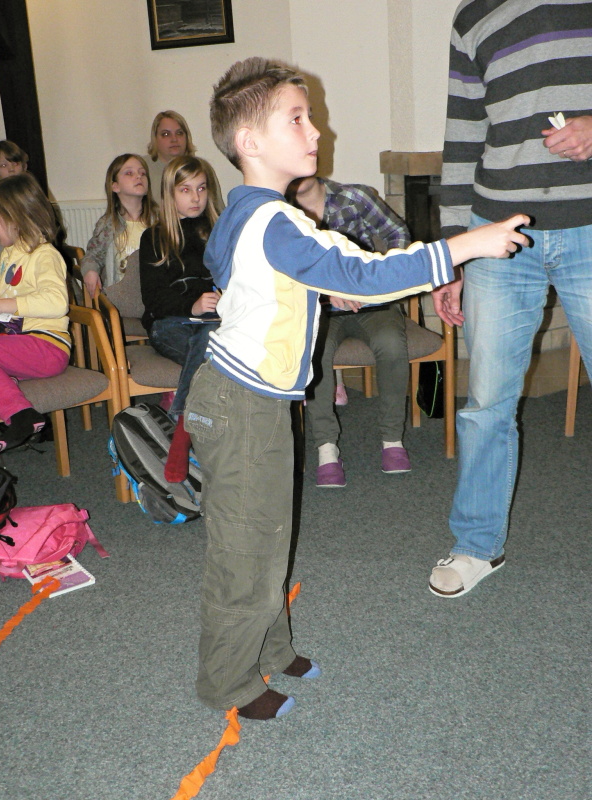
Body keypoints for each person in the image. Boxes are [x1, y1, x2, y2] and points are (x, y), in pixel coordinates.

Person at [183, 56, 528, 721]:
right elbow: (367, 273)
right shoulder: (277, 222)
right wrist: (466, 245)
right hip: (241, 404)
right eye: (296, 119)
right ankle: (227, 680)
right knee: (243, 547)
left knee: (269, 532)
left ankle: (271, 649)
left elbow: (238, 271)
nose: (316, 130)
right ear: (249, 141)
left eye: (310, 116)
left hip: (252, 398)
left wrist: (308, 288)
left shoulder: (249, 212)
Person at [429, 0, 592, 599]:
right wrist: (454, 254)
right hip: (497, 232)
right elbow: (462, 138)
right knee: (486, 403)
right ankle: (477, 545)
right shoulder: (472, 15)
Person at [288, 175, 412, 487]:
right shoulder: (279, 210)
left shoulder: (354, 197)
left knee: (391, 344)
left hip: (371, 301)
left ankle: (392, 440)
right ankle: (326, 448)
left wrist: (382, 278)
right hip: (322, 309)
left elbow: (398, 233)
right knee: (315, 351)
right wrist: (324, 292)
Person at [139, 155, 221, 483]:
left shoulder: (218, 233)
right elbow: (154, 299)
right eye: (185, 190)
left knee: (212, 340)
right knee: (214, 349)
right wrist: (192, 306)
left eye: (201, 188)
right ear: (170, 194)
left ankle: (186, 426)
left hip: (215, 323)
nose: (195, 197)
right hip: (170, 323)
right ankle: (188, 431)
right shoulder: (154, 237)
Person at [0, 172, 70, 453]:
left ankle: (21, 415)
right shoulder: (8, 256)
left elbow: (57, 302)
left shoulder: (44, 255)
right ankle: (18, 410)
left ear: (13, 218)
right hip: (18, 345)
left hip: (46, 346)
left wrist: (4, 304)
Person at [80, 154, 158, 300]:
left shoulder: (159, 221)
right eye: (129, 173)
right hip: (121, 297)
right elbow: (92, 256)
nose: (138, 176)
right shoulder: (108, 224)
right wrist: (90, 271)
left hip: (154, 295)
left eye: (142, 173)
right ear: (115, 186)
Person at [145, 110, 224, 212]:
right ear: (155, 138)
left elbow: (219, 211)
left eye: (179, 133)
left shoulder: (201, 169)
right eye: (166, 134)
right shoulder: (141, 168)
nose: (174, 139)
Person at [0, 141, 29, 266]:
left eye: (16, 163)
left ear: (24, 167)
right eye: (3, 165)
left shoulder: (31, 193)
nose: (11, 169)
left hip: (27, 249)